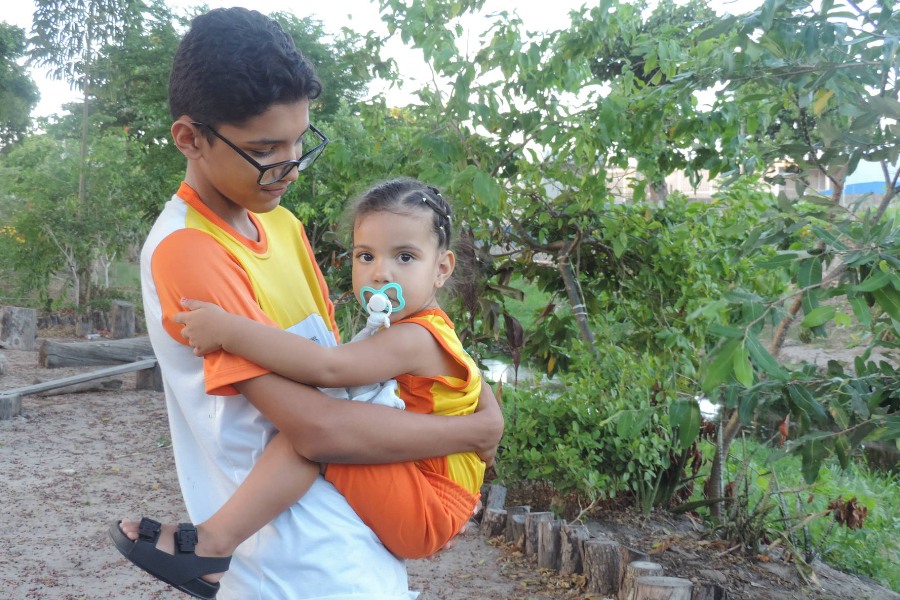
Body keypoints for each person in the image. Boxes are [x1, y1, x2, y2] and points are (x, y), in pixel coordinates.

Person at [108, 8, 502, 600]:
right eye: (267, 148)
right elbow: (315, 428)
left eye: (301, 140)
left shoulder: (285, 226)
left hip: (357, 544)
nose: (290, 167)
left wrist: (470, 409)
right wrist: (475, 431)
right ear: (189, 137)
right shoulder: (189, 251)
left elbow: (342, 370)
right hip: (294, 564)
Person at [126, 178, 485, 590]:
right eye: (365, 255)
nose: (380, 272)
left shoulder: (415, 337)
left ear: (441, 269)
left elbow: (326, 367)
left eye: (405, 256)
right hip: (426, 491)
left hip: (429, 504)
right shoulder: (408, 330)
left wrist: (229, 331)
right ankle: (214, 542)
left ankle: (213, 542)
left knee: (315, 436)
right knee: (321, 422)